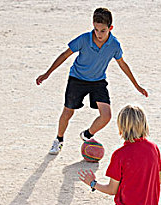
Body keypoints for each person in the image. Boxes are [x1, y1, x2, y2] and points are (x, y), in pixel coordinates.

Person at [36, 8, 148, 155]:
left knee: (106, 115)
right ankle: (59, 140)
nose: (99, 34)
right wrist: (47, 73)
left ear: (110, 28)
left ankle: (87, 134)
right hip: (77, 79)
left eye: (103, 30)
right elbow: (65, 55)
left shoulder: (114, 45)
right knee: (68, 112)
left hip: (98, 81)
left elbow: (122, 64)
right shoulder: (83, 39)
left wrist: (136, 85)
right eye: (96, 29)